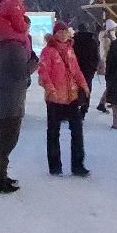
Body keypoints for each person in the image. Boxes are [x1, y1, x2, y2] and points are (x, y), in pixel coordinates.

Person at [0, 0, 36, 194]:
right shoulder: (14, 44)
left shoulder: (3, 41)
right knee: (8, 138)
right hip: (11, 98)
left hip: (4, 97)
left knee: (3, 138)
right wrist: (34, 61)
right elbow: (19, 72)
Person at [38, 22, 89, 177]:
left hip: (71, 96)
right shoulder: (48, 51)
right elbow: (43, 73)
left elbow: (76, 71)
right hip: (55, 98)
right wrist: (50, 89)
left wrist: (84, 86)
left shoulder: (70, 50)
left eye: (65, 31)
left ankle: (78, 164)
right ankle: (55, 166)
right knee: (53, 132)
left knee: (77, 131)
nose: (63, 34)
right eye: (60, 32)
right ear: (55, 34)